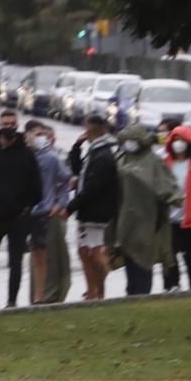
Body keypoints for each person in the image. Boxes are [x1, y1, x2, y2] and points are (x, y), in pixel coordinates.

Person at [114, 124, 177, 295]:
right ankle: (131, 293)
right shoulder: (121, 159)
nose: (129, 144)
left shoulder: (154, 162)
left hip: (147, 221)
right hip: (126, 220)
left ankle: (143, 294)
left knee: (143, 261)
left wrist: (173, 197)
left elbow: (167, 186)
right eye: (126, 141)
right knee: (129, 262)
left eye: (132, 140)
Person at [0, 108, 39, 309]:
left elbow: (36, 186)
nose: (8, 127)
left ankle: (12, 301)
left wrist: (27, 206)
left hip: (18, 216)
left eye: (11, 124)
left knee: (15, 261)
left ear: (16, 125)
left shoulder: (26, 154)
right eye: (5, 124)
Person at [71, 113, 121, 300]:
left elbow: (93, 187)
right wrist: (76, 147)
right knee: (84, 251)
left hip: (97, 211)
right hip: (88, 211)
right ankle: (91, 290)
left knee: (96, 251)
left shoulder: (103, 155)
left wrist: (70, 207)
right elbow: (77, 170)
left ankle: (99, 292)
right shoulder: (93, 151)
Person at [27, 121, 72, 304]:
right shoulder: (24, 157)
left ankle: (45, 296)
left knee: (46, 256)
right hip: (27, 214)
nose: (41, 138)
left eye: (43, 135)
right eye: (37, 134)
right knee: (34, 259)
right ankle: (36, 296)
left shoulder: (53, 158)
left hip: (46, 213)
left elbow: (66, 179)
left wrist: (60, 203)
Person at [159, 125, 191, 291]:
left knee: (190, 253)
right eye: (176, 140)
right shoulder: (166, 162)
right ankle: (174, 284)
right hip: (171, 216)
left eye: (182, 140)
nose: (178, 144)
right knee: (171, 252)